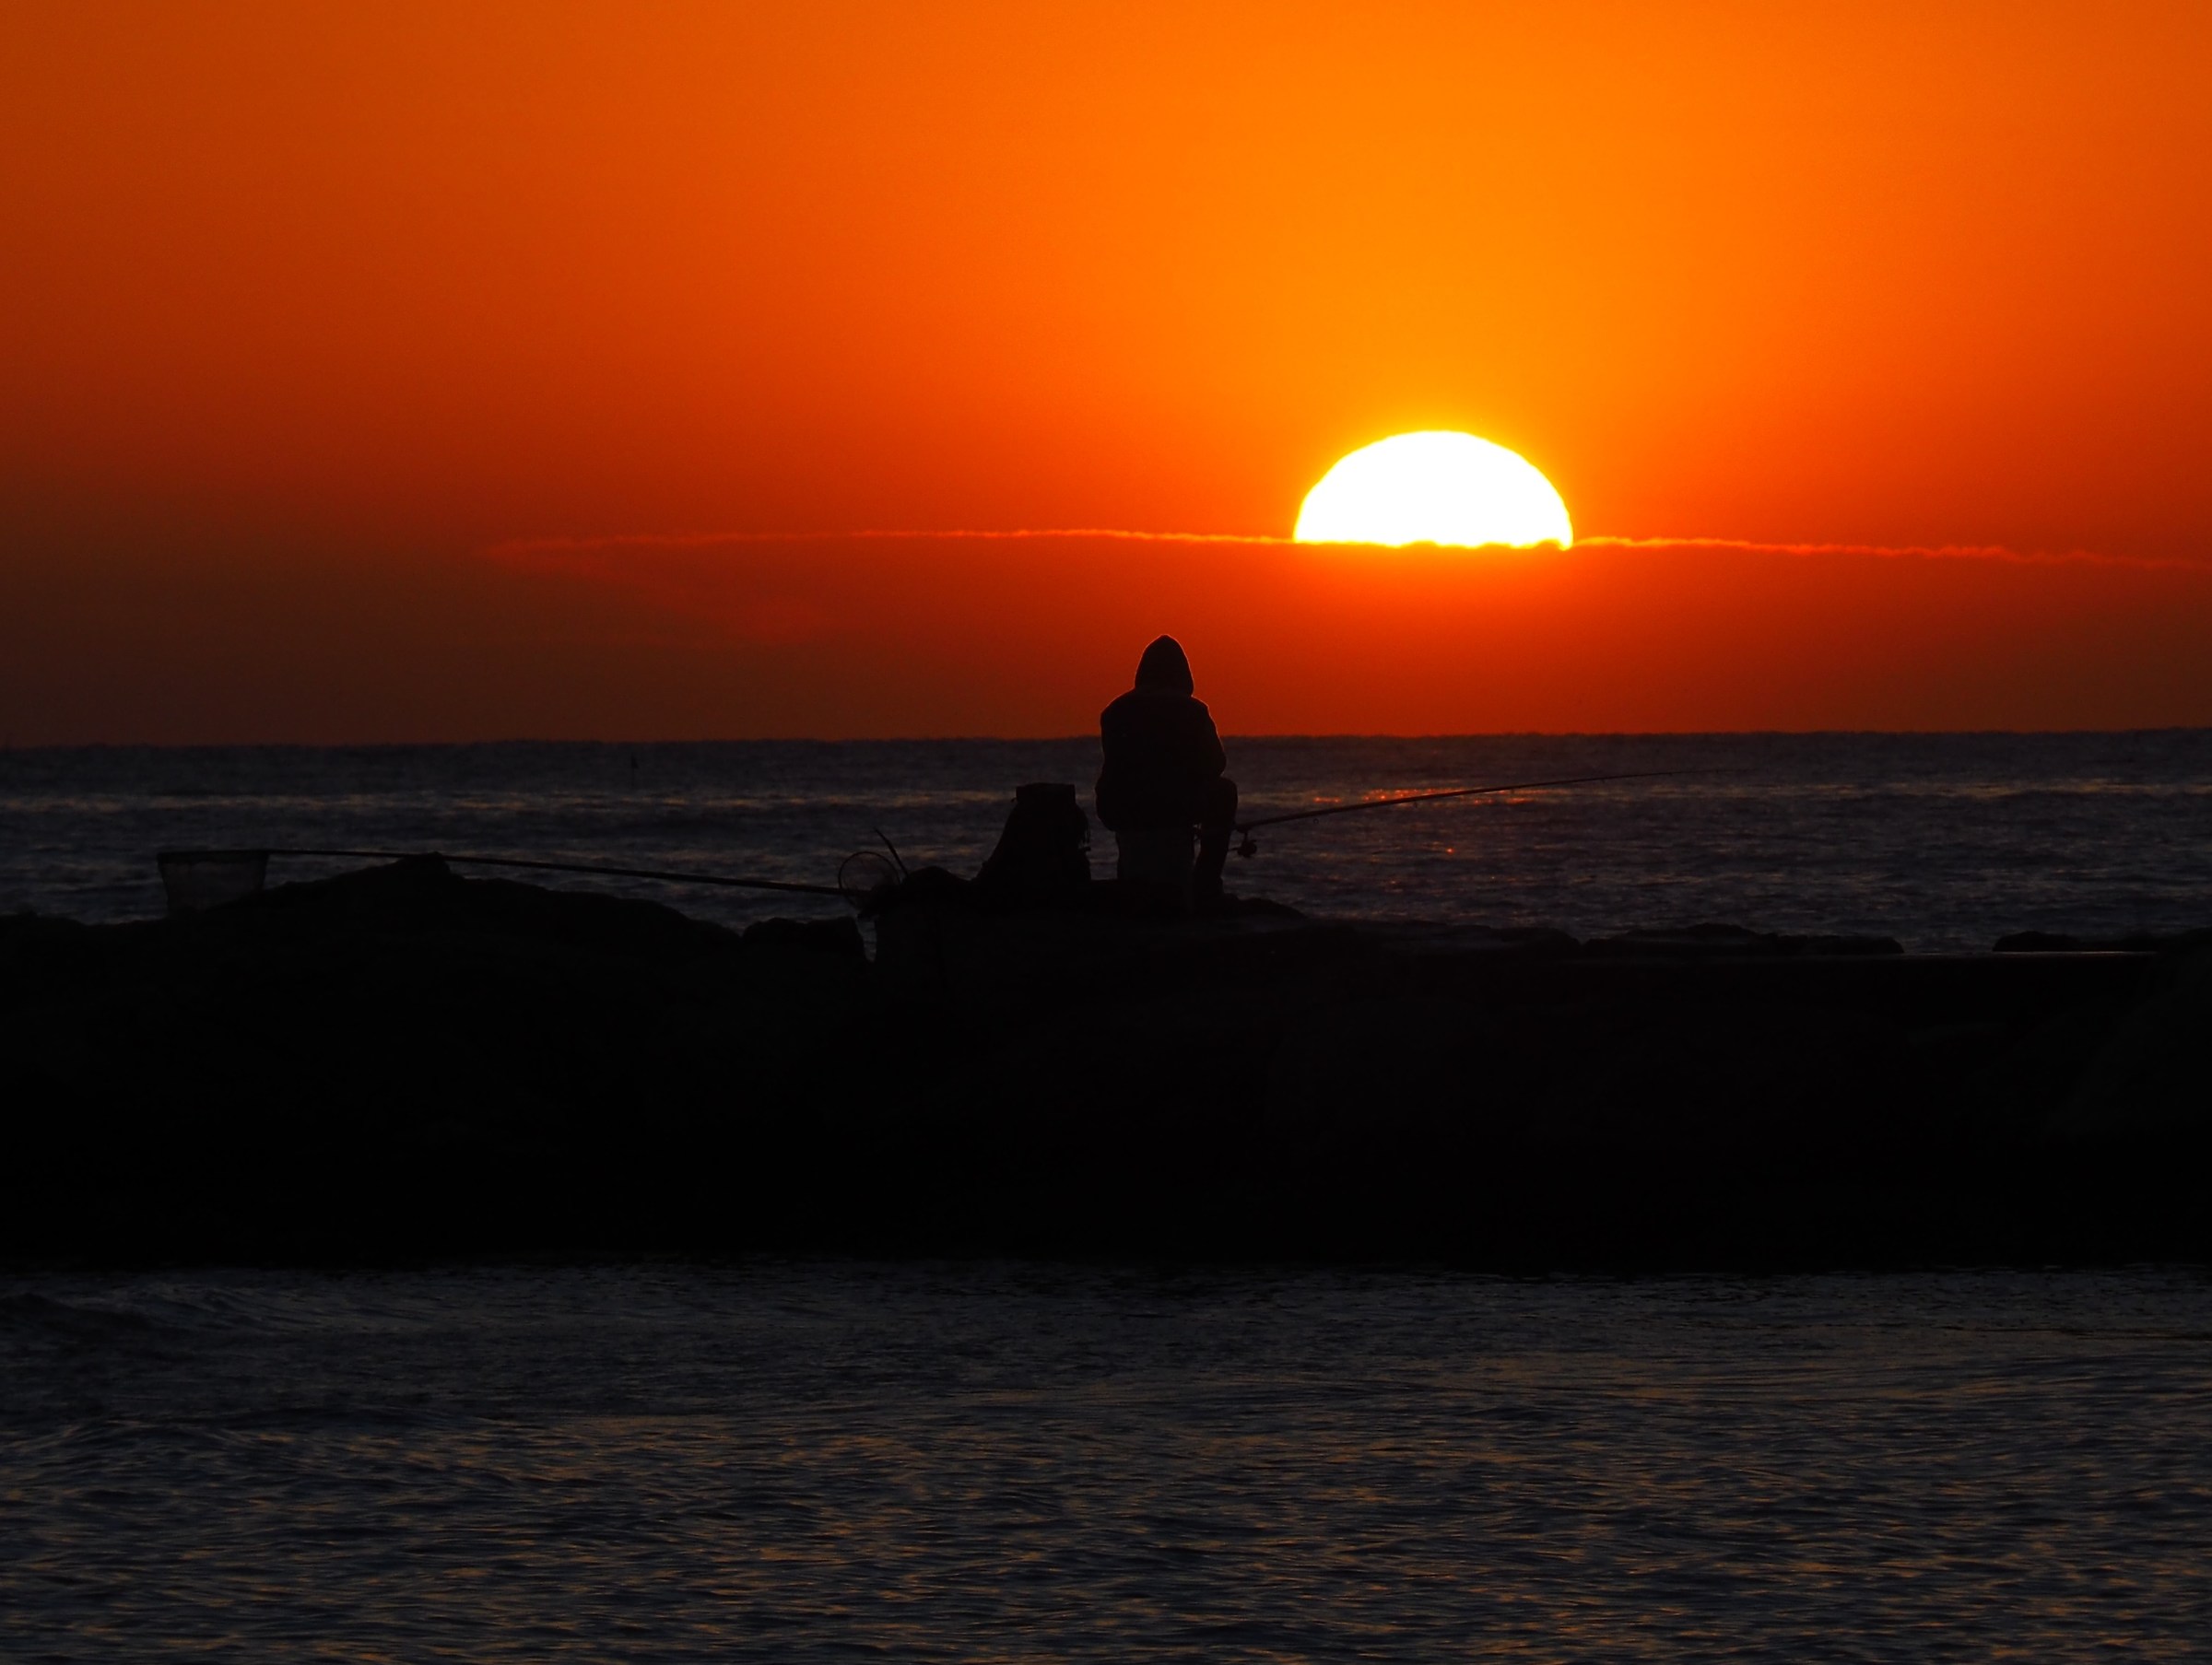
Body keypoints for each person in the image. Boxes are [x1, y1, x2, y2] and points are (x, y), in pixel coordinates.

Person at [1095, 635, 1238, 901]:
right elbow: (1216, 764)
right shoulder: (1193, 710)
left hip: (1121, 809)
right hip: (1171, 807)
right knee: (1225, 792)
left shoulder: (1114, 711)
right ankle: (1206, 884)